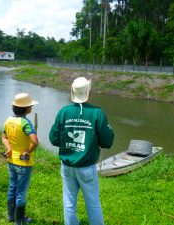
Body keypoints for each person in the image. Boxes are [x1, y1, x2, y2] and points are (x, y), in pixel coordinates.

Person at [49, 77, 114, 225]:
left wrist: (68, 143)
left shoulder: (64, 112)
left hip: (67, 167)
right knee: (93, 203)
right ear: (88, 92)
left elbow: (53, 139)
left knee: (69, 201)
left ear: (72, 92)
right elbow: (107, 141)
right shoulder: (97, 113)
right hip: (87, 167)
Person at [1, 92, 39, 225]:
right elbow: (34, 142)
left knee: (12, 187)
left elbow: (4, 137)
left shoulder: (8, 120)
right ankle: (20, 220)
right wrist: (28, 152)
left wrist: (9, 148)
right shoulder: (26, 123)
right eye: (30, 106)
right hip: (23, 163)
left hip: (11, 161)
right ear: (27, 109)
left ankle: (11, 216)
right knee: (21, 192)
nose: (31, 107)